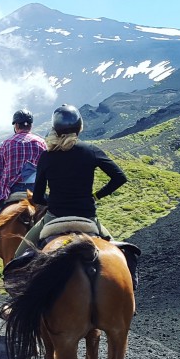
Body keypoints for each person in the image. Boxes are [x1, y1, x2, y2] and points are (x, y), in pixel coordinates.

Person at [13, 103, 126, 258]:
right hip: (87, 215)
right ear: (79, 126)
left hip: (54, 216)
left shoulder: (46, 156)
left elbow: (38, 197)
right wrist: (96, 196)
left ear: (55, 128)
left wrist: (53, 201)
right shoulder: (91, 151)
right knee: (122, 255)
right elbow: (120, 177)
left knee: (17, 259)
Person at [0, 108, 47, 271]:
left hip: (12, 193)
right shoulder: (41, 143)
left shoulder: (6, 144)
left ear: (15, 125)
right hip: (36, 195)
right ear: (30, 125)